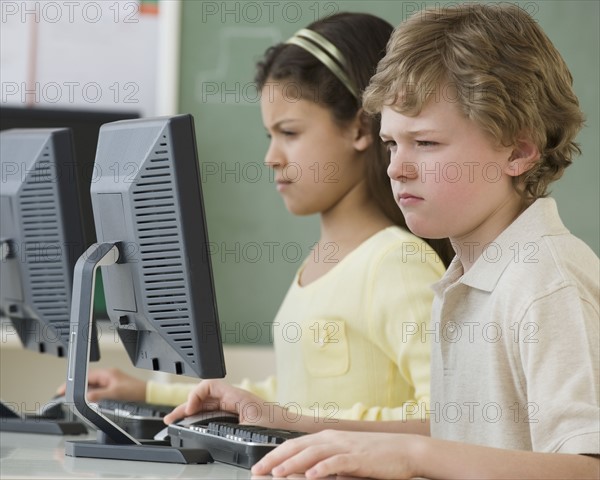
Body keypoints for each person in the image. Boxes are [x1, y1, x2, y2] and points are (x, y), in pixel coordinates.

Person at [163, 4, 600, 478]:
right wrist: (285, 420)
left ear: (519, 150)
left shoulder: (546, 283)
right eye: (392, 143)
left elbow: (587, 466)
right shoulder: (466, 281)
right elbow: (457, 442)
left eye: (426, 143)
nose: (396, 167)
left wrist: (416, 457)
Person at [60, 12, 453, 422]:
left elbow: (444, 422)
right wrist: (148, 392)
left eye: (290, 133)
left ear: (359, 129)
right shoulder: (322, 263)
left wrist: (300, 425)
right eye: (270, 136)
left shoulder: (397, 263)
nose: (271, 158)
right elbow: (292, 396)